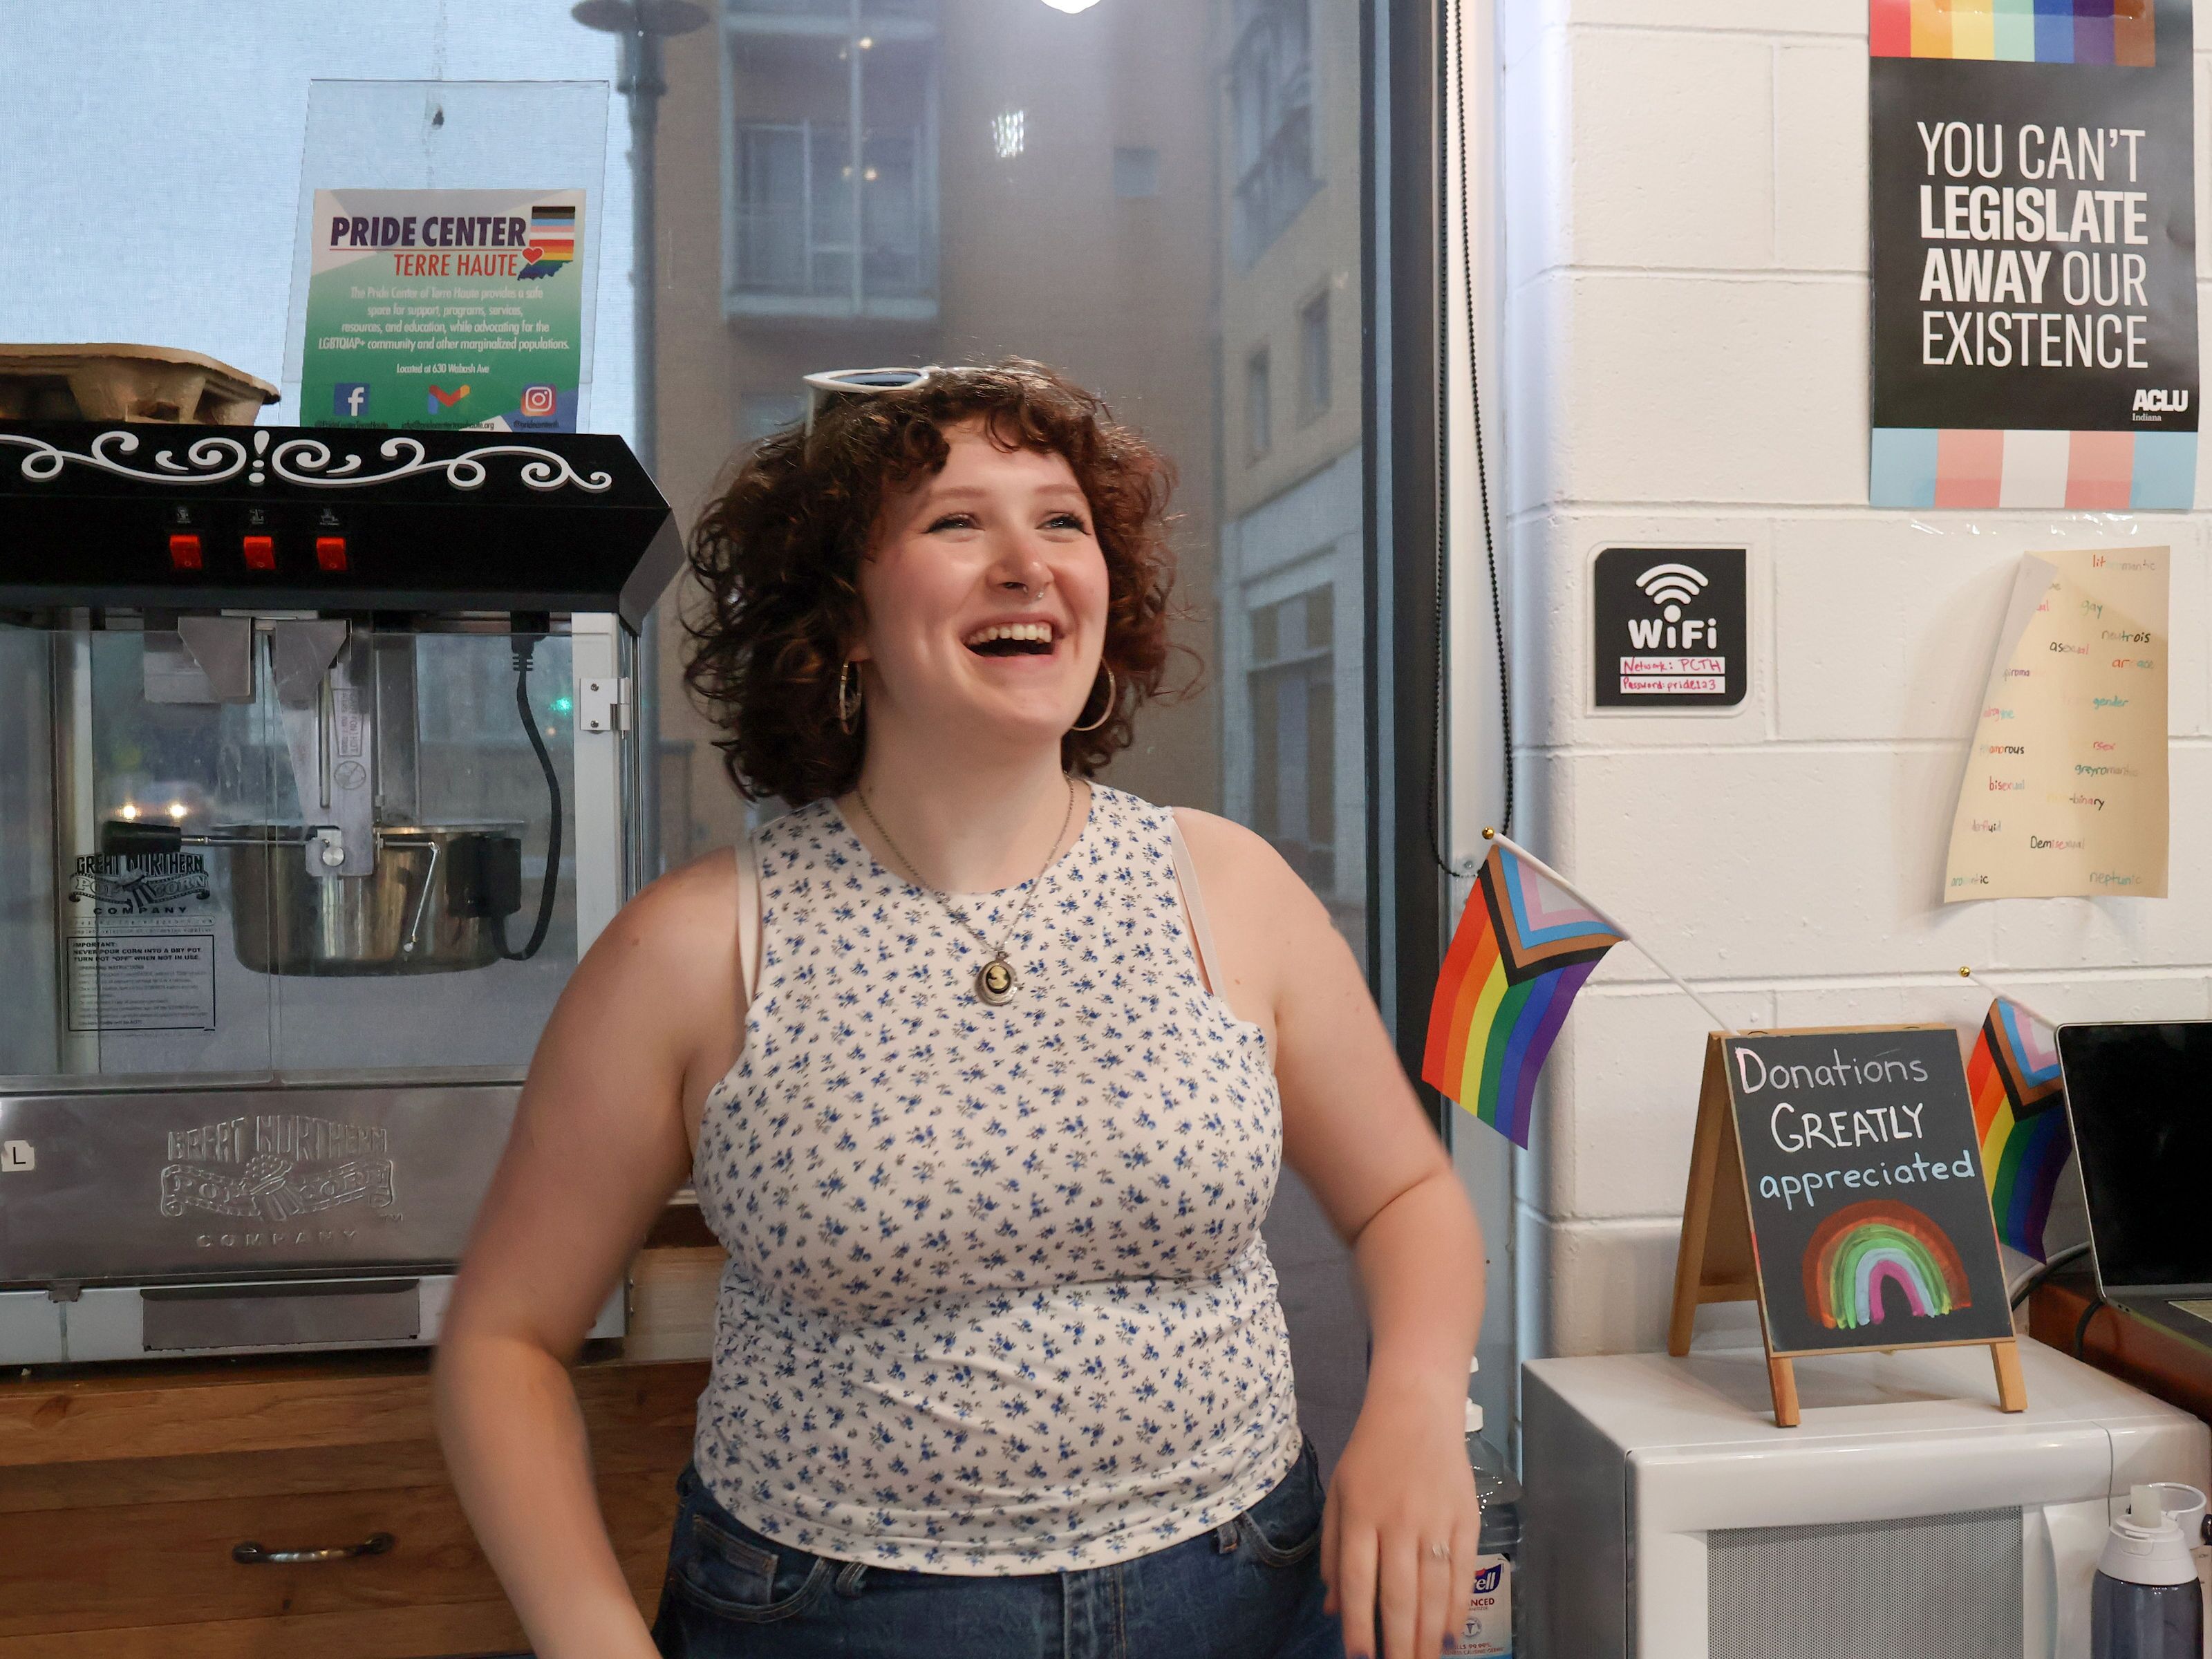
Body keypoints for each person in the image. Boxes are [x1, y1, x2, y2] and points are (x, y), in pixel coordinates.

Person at [434, 361, 1485, 1659]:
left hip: (1250, 1590)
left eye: (1061, 521)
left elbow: (1408, 1201)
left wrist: (1420, 1407)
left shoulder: (1229, 886)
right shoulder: (697, 944)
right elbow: (504, 1340)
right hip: (837, 1620)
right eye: (955, 522)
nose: (1027, 562)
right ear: (847, 619)